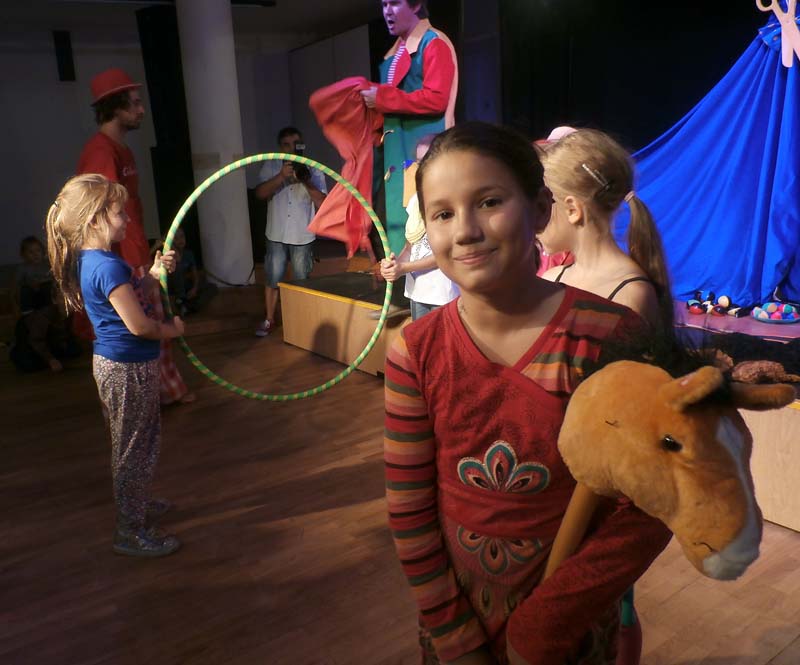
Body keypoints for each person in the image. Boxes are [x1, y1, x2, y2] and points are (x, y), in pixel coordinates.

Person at [383, 122, 671, 665]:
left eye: (489, 202)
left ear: (540, 210)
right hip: (455, 625)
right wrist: (453, 636)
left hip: (567, 632)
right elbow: (409, 507)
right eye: (442, 214)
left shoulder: (610, 335)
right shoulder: (414, 351)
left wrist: (547, 625)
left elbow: (650, 503)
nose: (465, 231)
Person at [46, 173, 183, 557]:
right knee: (134, 448)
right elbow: (140, 326)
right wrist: (171, 330)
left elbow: (135, 297)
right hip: (127, 369)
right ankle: (130, 529)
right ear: (95, 220)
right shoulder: (108, 267)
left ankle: (134, 503)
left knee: (132, 443)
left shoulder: (96, 261)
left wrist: (154, 274)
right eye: (120, 213)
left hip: (118, 367)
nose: (127, 219)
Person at [77, 67, 194, 405]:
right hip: (122, 259)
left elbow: (127, 209)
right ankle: (147, 397)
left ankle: (161, 393)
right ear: (115, 107)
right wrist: (127, 263)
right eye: (135, 103)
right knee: (145, 326)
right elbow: (102, 212)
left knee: (151, 321)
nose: (142, 110)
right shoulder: (101, 152)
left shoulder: (121, 149)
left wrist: (145, 251)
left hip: (134, 253)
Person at [537, 129, 673, 330]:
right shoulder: (550, 280)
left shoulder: (630, 296)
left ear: (573, 210)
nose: (535, 218)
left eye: (543, 206)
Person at [360, 0, 458, 256]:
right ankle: (402, 273)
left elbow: (437, 98)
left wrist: (383, 99)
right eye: (384, 5)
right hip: (397, 152)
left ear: (415, 6)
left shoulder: (432, 43)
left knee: (423, 219)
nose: (387, 11)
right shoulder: (396, 52)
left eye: (394, 3)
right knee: (398, 219)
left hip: (422, 149)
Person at [254, 126, 328, 337]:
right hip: (276, 233)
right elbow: (259, 193)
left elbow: (323, 203)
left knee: (301, 281)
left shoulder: (313, 168)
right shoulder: (271, 164)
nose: (291, 148)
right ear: (280, 147)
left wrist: (306, 180)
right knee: (272, 278)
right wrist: (281, 176)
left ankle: (301, 323)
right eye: (286, 144)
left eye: (296, 144)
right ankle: (269, 319)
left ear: (302, 145)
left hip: (302, 235)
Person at [379, 134, 458, 320]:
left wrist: (404, 267)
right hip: (417, 292)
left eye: (428, 160)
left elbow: (445, 253)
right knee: (420, 338)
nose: (422, 167)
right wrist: (395, 265)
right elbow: (410, 247)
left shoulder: (453, 201)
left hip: (443, 293)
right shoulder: (415, 200)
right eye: (419, 162)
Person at [9, 236, 78, 372]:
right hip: (34, 300)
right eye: (31, 252)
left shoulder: (47, 266)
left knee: (72, 351)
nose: (35, 255)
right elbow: (15, 288)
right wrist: (15, 305)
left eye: (38, 251)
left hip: (47, 297)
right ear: (24, 255)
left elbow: (57, 282)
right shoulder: (23, 269)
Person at [167, 228, 217, 316]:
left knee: (212, 287)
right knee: (177, 268)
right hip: (173, 287)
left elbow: (195, 273)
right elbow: (177, 261)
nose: (180, 240)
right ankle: (181, 301)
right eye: (176, 238)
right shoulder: (169, 254)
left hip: (185, 285)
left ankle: (191, 307)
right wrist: (172, 247)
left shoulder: (189, 254)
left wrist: (194, 288)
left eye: (182, 236)